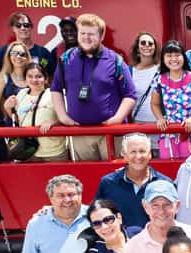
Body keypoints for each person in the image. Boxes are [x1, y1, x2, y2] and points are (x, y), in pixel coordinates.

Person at [51, 13, 136, 161]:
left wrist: (117, 118)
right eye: (83, 33)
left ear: (101, 36)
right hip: (80, 134)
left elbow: (130, 94)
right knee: (85, 179)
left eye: (91, 34)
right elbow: (56, 89)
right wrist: (62, 116)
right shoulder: (66, 59)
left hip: (109, 134)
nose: (86, 37)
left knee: (114, 176)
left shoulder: (115, 60)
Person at [94, 133, 170, 230]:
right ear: (124, 155)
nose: (138, 156)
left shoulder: (165, 183)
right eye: (133, 152)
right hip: (121, 243)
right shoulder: (108, 183)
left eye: (142, 151)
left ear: (150, 154)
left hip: (155, 243)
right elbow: (97, 215)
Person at [150, 40, 191, 160]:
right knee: (169, 169)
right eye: (169, 56)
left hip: (189, 132)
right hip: (167, 132)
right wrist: (160, 118)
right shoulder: (159, 80)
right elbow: (154, 104)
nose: (173, 59)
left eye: (177, 55)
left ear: (183, 56)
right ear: (163, 59)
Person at [2, 63, 68, 161]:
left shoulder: (54, 94)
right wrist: (7, 108)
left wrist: (53, 123)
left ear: (46, 79)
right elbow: (17, 121)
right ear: (25, 79)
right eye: (30, 76)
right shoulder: (21, 94)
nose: (34, 80)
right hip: (28, 151)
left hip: (53, 151)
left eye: (39, 76)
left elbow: (65, 118)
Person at [0, 12, 56, 79]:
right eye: (18, 25)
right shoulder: (5, 51)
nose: (22, 28)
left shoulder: (43, 53)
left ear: (31, 27)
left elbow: (51, 75)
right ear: (13, 28)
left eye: (26, 25)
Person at [129, 31, 162, 152]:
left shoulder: (162, 69)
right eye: (143, 43)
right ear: (137, 48)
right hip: (138, 124)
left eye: (151, 43)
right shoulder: (129, 70)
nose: (147, 45)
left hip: (159, 124)